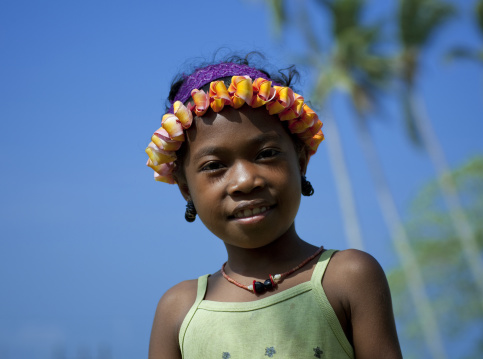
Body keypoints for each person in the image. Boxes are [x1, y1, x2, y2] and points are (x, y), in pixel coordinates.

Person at [146, 55, 403, 359]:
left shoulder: (348, 278)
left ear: (301, 162)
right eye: (214, 165)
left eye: (266, 154)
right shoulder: (179, 311)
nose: (244, 181)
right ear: (186, 189)